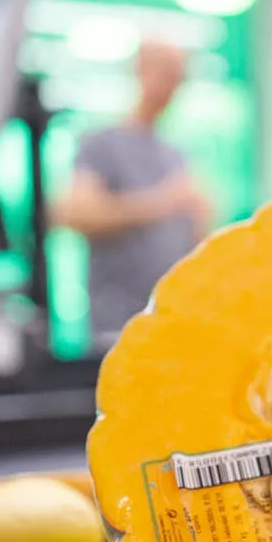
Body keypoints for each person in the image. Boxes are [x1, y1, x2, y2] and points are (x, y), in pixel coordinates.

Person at [52, 41, 211, 349]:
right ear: (141, 70)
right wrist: (160, 203)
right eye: (166, 74)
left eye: (180, 78)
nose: (172, 87)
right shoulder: (102, 144)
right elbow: (72, 214)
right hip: (117, 328)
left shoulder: (175, 155)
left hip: (172, 326)